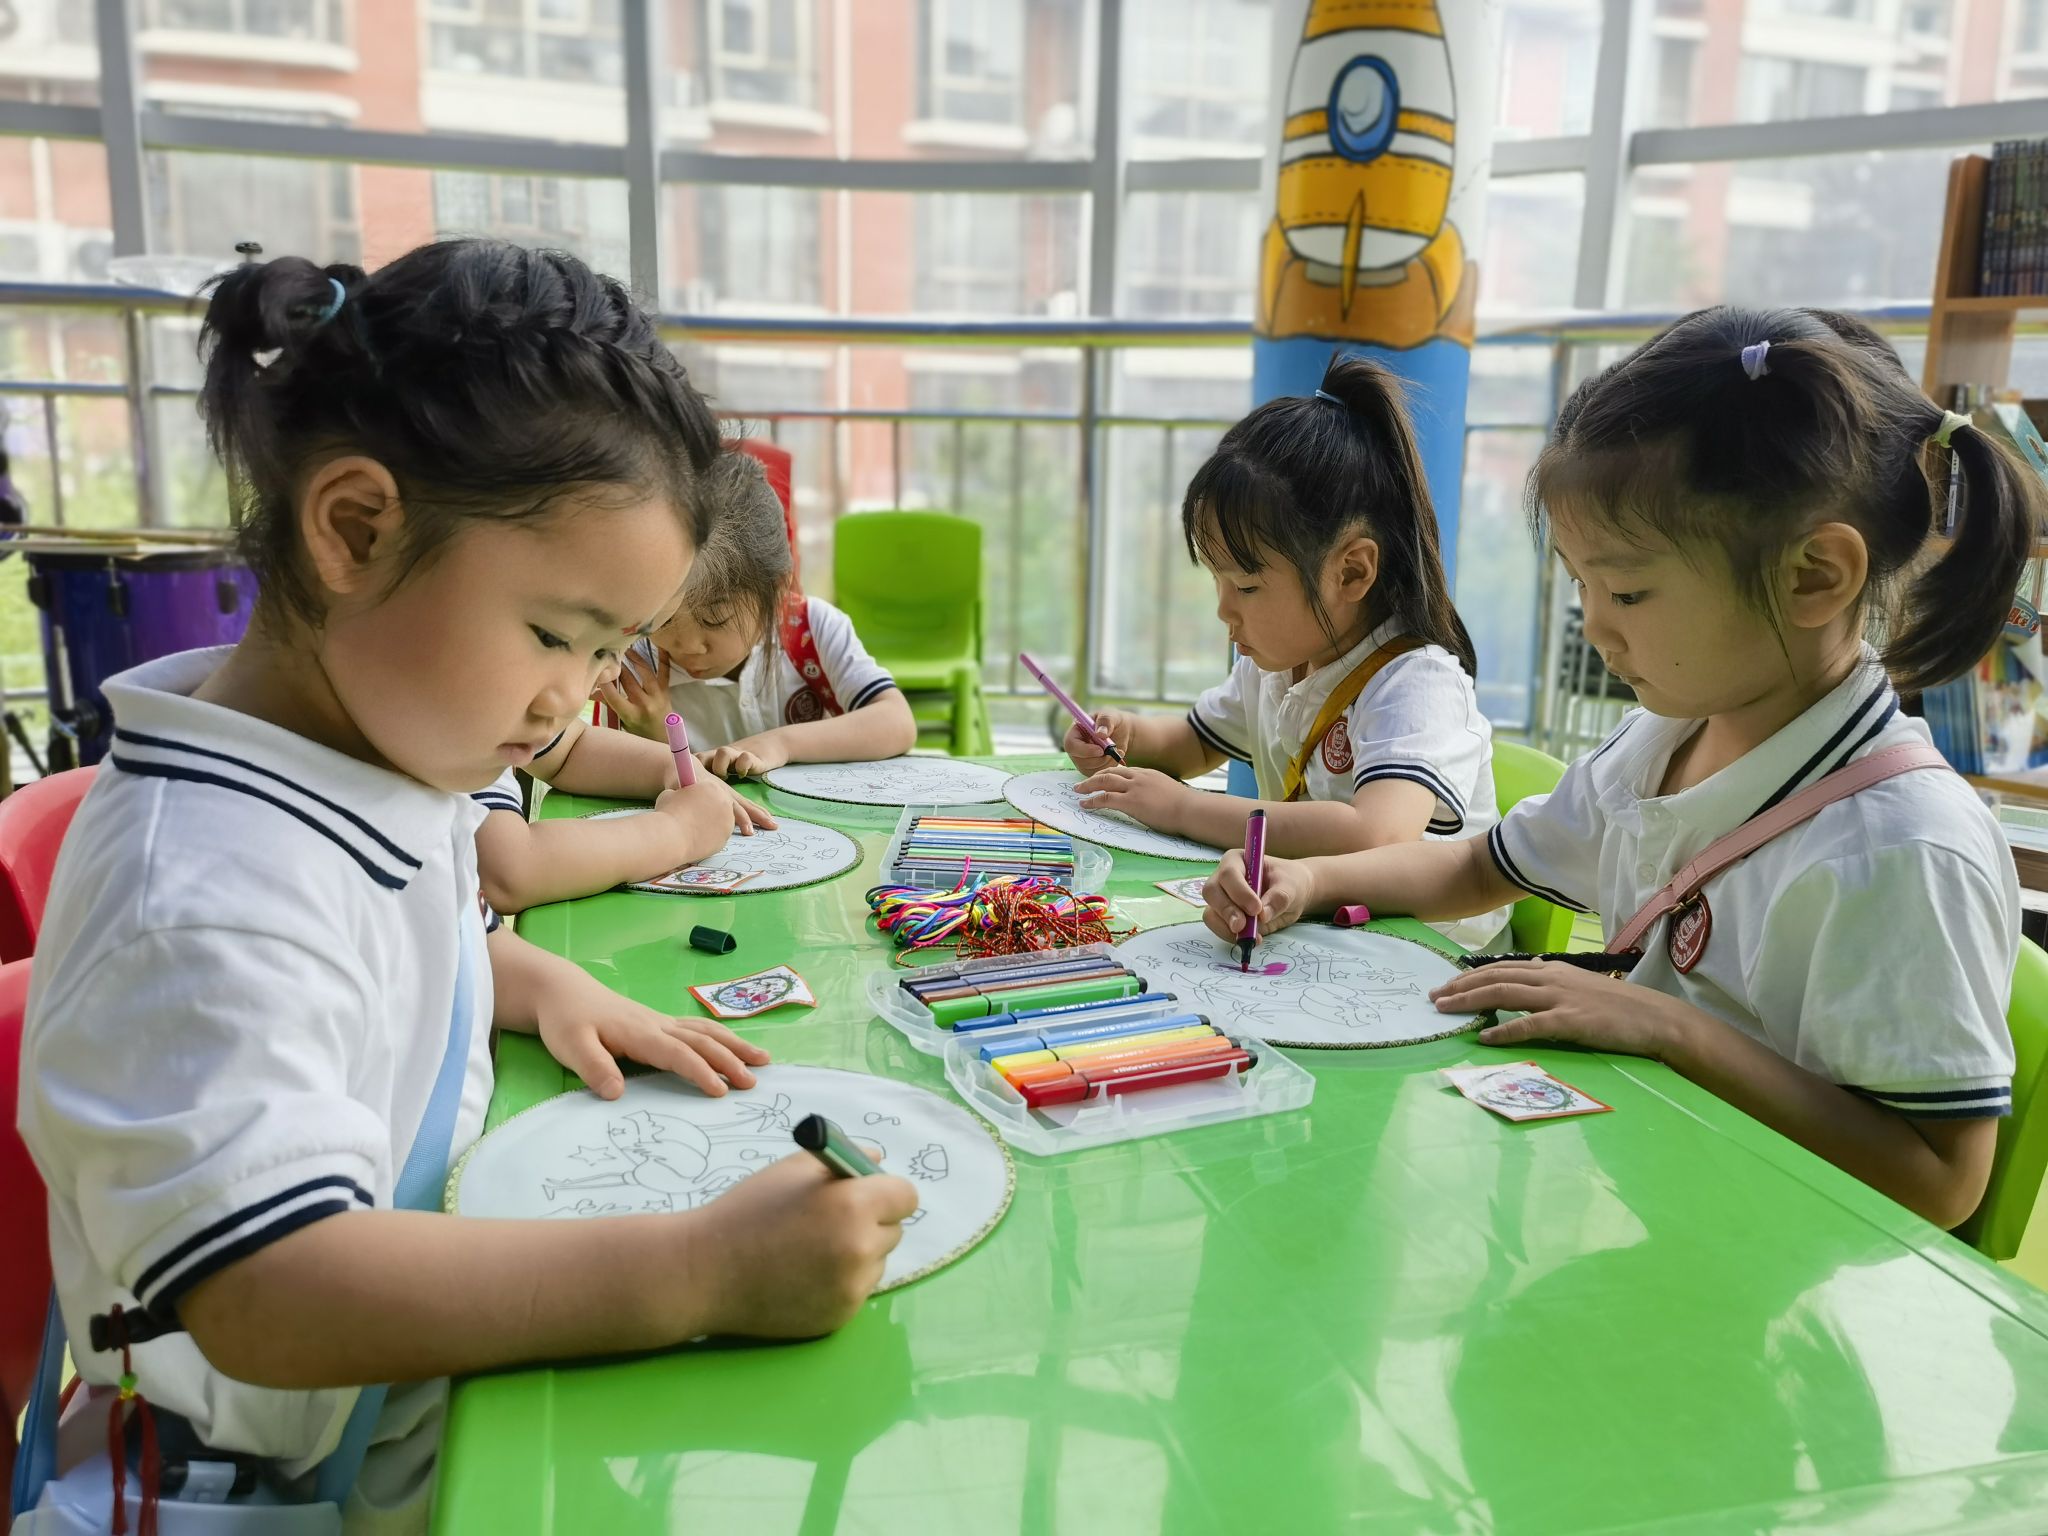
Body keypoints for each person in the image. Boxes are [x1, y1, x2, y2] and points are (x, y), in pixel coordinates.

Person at [17, 240, 914, 1533]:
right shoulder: (199, 892)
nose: (574, 700)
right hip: (274, 1488)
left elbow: (378, 951)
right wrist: (692, 1273)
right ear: (356, 529)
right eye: (555, 635)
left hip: (391, 1413)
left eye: (608, 653)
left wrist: (525, 978)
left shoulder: (375, 750)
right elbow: (271, 1290)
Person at [1204, 306, 2040, 1228]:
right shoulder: (1663, 741)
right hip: (1659, 1205)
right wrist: (1310, 881)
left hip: (1781, 1271)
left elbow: (1940, 1181)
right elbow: (1477, 866)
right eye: (1582, 585)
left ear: (1814, 576)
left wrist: (1672, 1030)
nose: (1596, 626)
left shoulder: (1902, 848)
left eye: (1629, 591)